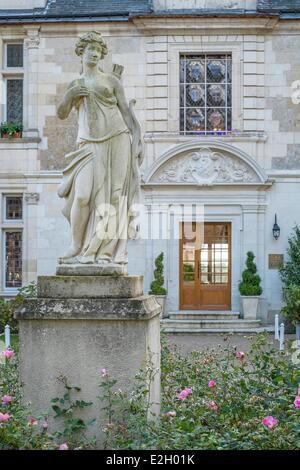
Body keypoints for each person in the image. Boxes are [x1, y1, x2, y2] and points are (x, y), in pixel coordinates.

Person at [57, 31, 143, 265]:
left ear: (101, 54)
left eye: (97, 50)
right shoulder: (76, 84)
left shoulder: (111, 81)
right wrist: (69, 96)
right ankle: (76, 245)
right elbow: (62, 113)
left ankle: (104, 251)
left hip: (118, 138)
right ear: (81, 53)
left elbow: (125, 112)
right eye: (90, 50)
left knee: (115, 196)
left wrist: (137, 141)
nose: (94, 53)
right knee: (83, 196)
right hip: (89, 143)